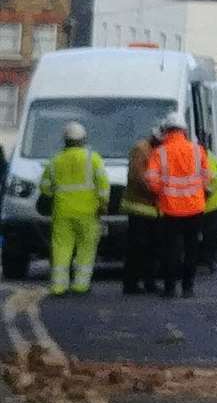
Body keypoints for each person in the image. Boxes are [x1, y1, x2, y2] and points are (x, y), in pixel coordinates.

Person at [144, 112, 211, 299]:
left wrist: (162, 193)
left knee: (170, 250)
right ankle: (188, 287)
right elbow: (207, 177)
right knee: (191, 249)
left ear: (166, 130)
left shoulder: (160, 153)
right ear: (184, 130)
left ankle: (170, 288)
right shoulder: (198, 150)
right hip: (195, 208)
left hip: (170, 209)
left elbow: (151, 179)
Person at [39, 122, 109, 296]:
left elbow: (45, 187)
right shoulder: (93, 158)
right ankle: (81, 285)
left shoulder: (55, 161)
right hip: (88, 213)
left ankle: (59, 286)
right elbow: (103, 185)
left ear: (65, 140)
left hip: (62, 212)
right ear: (83, 139)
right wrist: (103, 204)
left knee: (61, 248)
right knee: (86, 249)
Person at [122, 130, 161, 295]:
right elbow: (138, 177)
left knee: (151, 248)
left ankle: (149, 282)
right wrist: (156, 191)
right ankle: (131, 283)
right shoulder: (141, 149)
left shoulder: (154, 150)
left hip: (153, 208)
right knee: (138, 247)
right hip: (139, 206)